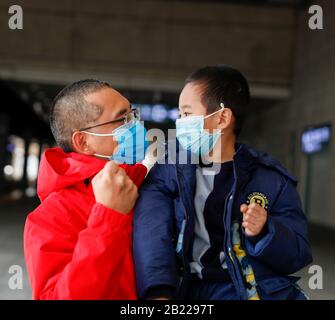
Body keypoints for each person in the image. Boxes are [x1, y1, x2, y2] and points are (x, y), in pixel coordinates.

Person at [133, 65, 313, 300]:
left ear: (222, 118)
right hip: (187, 291)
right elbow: (151, 232)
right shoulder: (168, 172)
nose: (180, 123)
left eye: (187, 114)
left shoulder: (271, 180)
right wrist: (158, 290)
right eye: (179, 114)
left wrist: (266, 231)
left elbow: (297, 255)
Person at [24, 79, 148, 299]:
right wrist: (109, 218)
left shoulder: (148, 188)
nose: (135, 125)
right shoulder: (49, 217)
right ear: (83, 142)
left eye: (132, 115)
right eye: (121, 119)